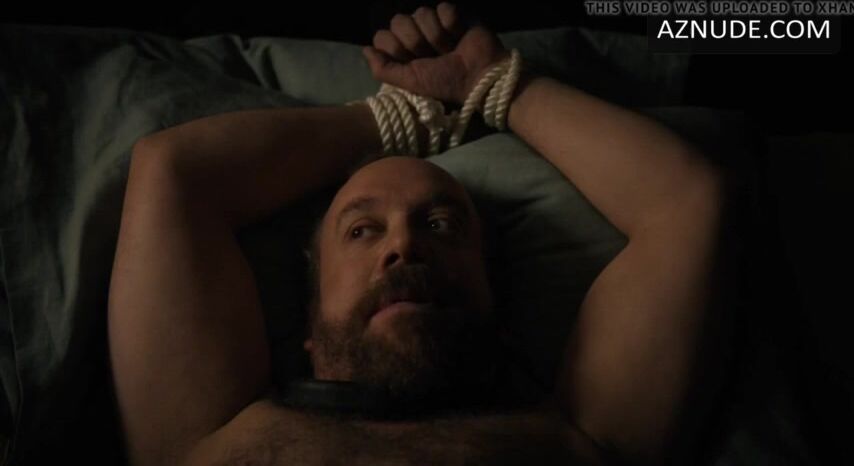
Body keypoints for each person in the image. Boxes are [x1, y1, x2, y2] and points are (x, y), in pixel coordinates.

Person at [108, 3, 726, 465]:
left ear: (496, 297)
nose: (404, 247)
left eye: (440, 225)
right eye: (361, 230)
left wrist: (493, 81)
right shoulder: (205, 438)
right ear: (308, 323)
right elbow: (172, 170)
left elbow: (683, 201)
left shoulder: (587, 438)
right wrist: (398, 116)